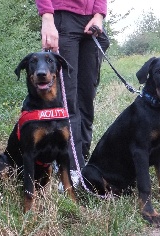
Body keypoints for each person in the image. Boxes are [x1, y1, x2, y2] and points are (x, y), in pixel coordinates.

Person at [35, 0, 110, 184]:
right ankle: (71, 171)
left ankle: (82, 163)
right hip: (63, 18)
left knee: (87, 98)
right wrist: (47, 17)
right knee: (69, 100)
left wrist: (99, 16)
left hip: (92, 23)